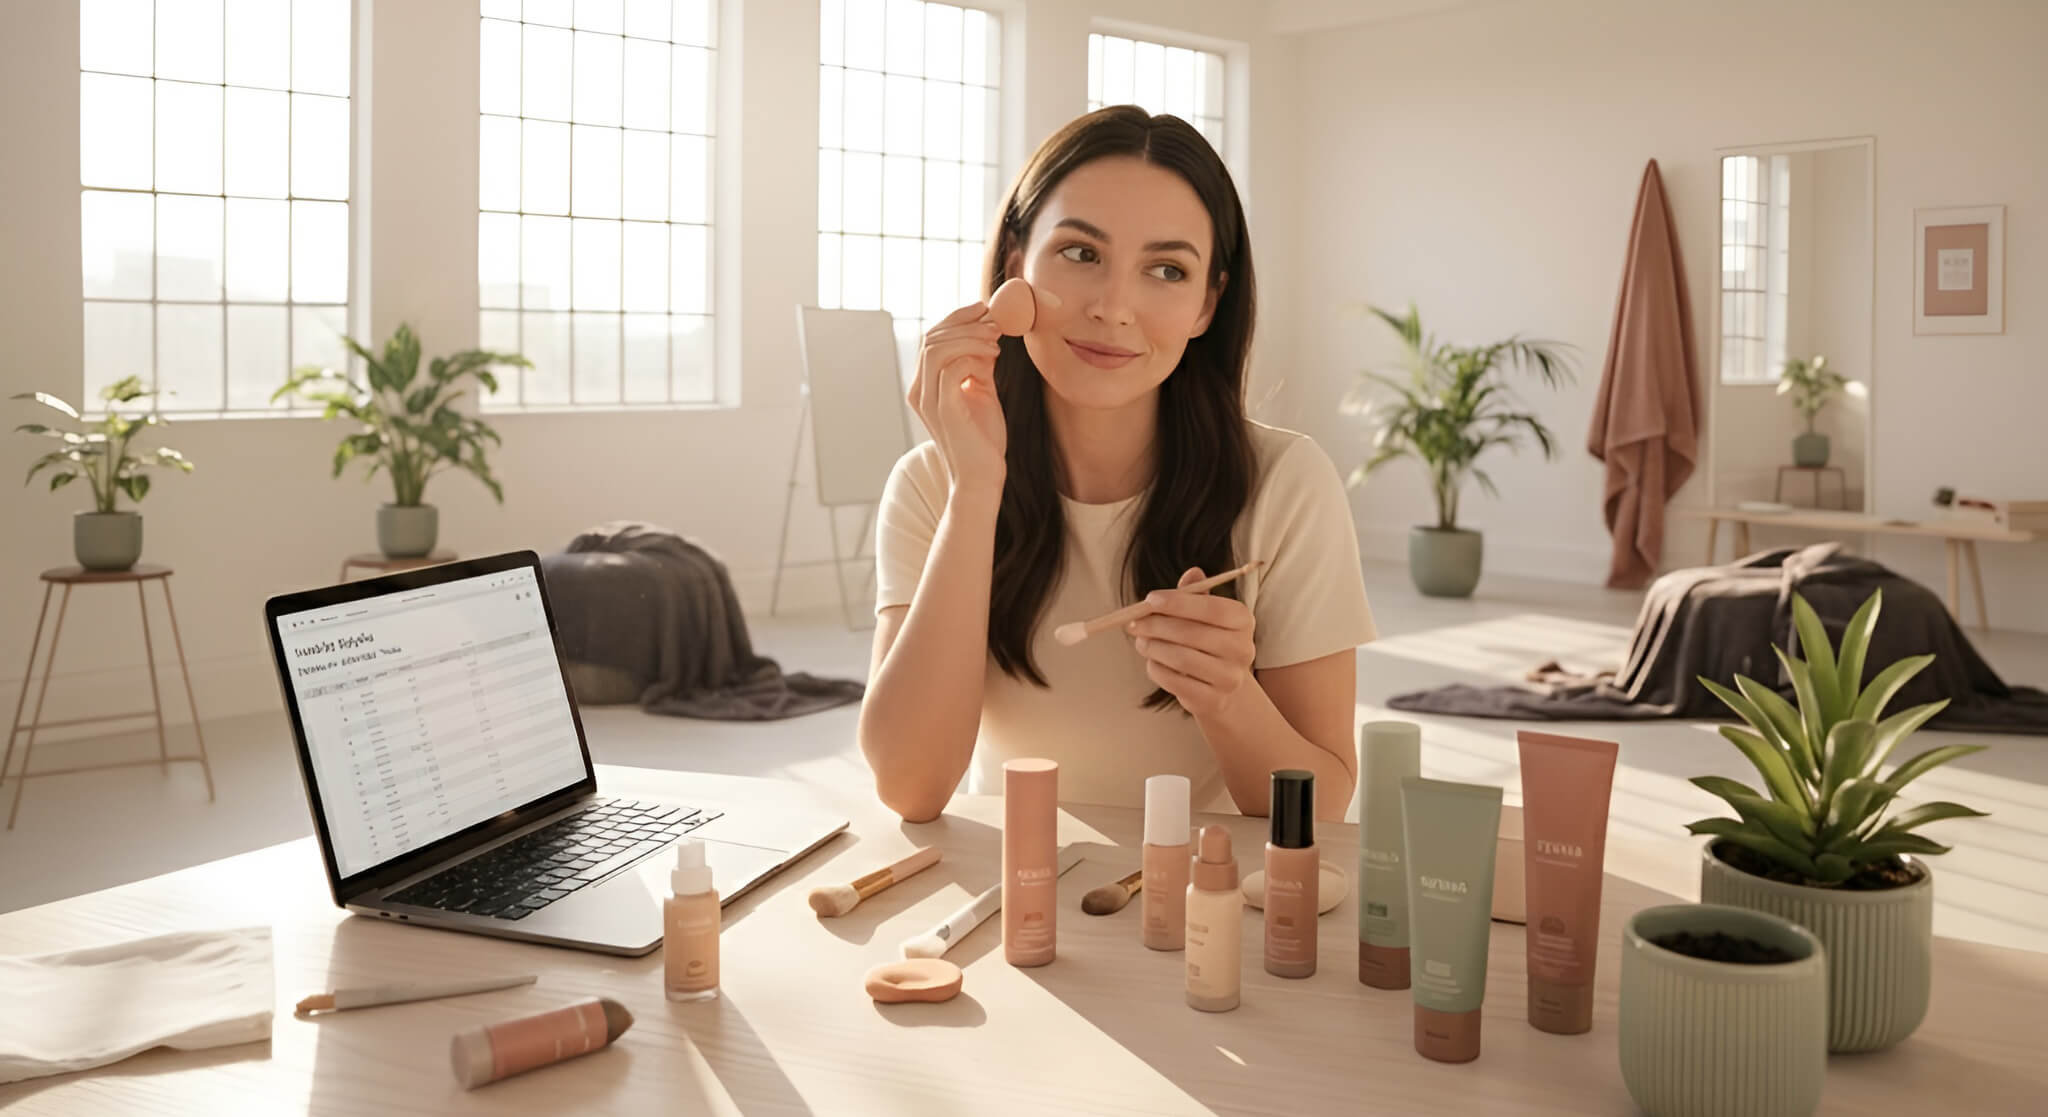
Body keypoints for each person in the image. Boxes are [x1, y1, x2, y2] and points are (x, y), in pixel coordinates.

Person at [858, 106, 1375, 823]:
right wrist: (975, 491)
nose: (1114, 306)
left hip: (1207, 902)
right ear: (1016, 266)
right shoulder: (930, 486)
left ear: (1206, 304)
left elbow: (1320, 808)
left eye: (1166, 269)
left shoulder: (1286, 484)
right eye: (1080, 253)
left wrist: (1229, 696)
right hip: (1013, 895)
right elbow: (910, 788)